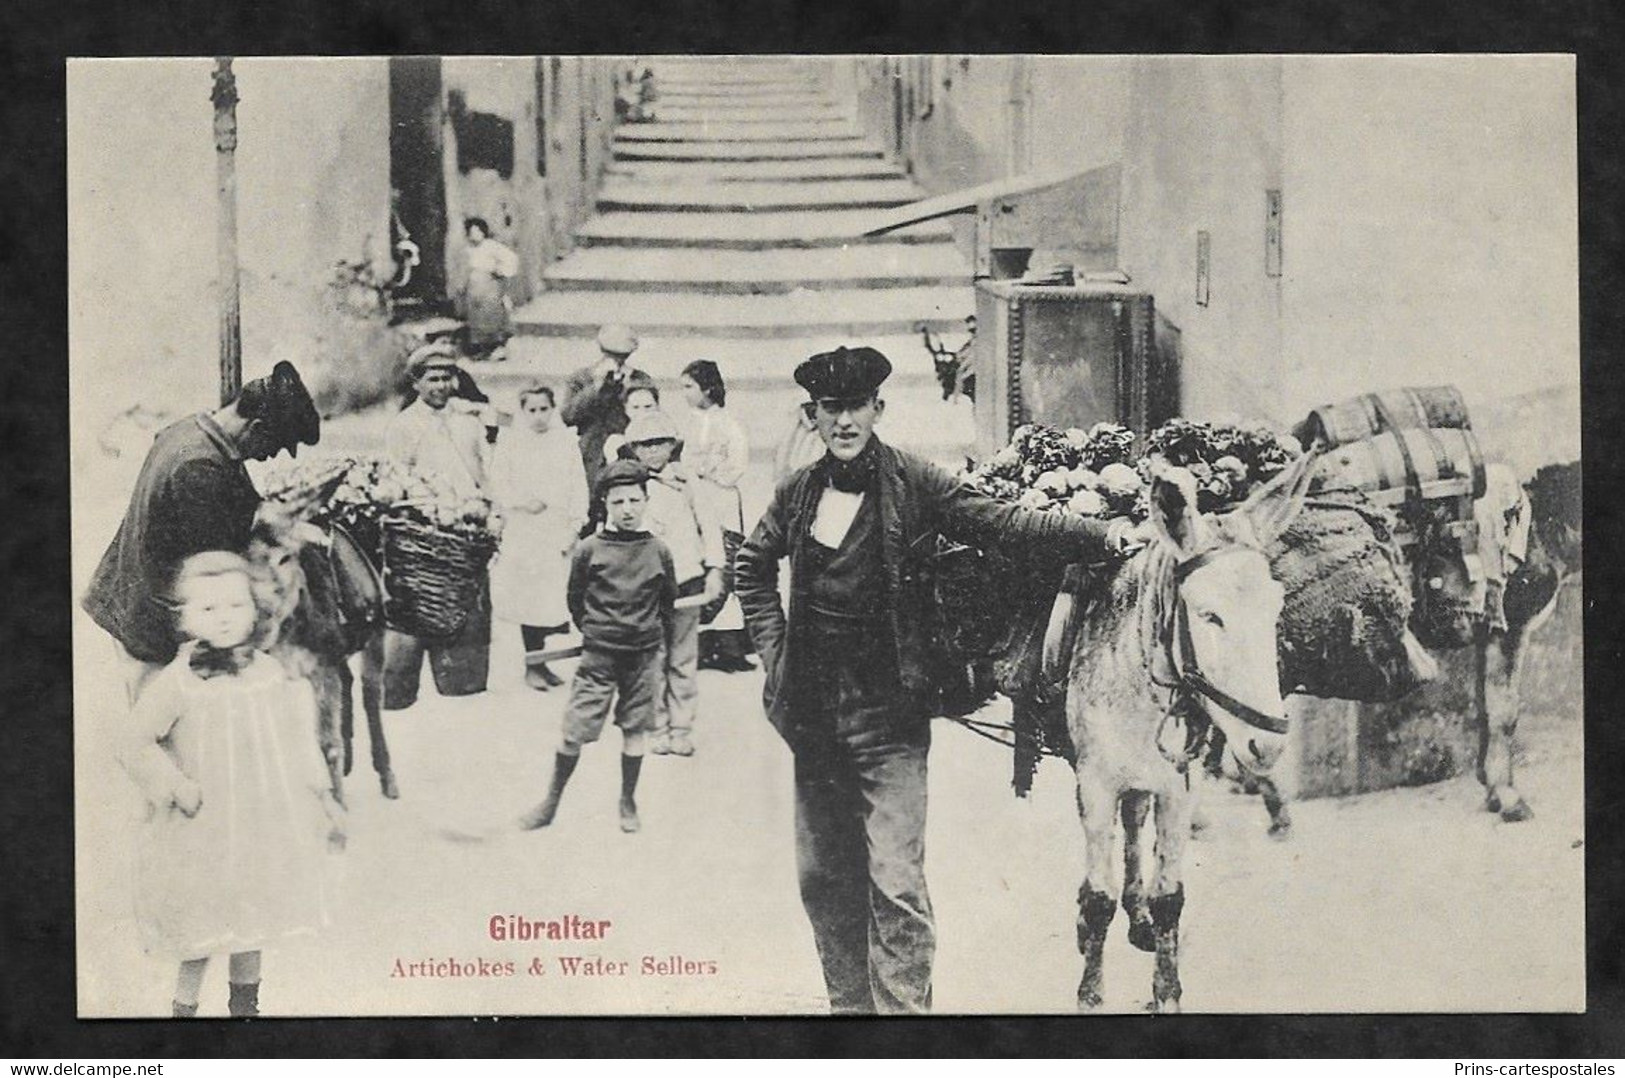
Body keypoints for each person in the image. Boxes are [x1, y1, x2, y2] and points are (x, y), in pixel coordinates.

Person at [733, 345, 1145, 1015]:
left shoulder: (914, 482)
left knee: (894, 879)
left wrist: (1097, 536)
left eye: (856, 408)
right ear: (812, 415)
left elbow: (1005, 522)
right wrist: (774, 652)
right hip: (813, 714)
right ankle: (850, 1014)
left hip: (889, 717)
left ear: (877, 409)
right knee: (822, 876)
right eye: (830, 410)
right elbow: (751, 567)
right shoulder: (797, 493)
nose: (844, 422)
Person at [117, 551, 345, 1018]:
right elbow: (135, 741)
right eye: (208, 610)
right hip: (203, 826)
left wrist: (323, 797)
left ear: (255, 609)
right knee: (200, 925)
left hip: (259, 821)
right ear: (184, 618)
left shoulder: (268, 673)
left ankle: (246, 1012)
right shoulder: (178, 682)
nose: (223, 619)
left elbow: (298, 740)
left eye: (235, 607)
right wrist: (176, 786)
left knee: (251, 917)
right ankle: (185, 1012)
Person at [83, 361, 321, 699]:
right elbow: (215, 568)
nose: (269, 457)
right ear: (255, 426)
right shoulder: (200, 468)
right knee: (177, 738)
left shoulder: (192, 429)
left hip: (128, 602)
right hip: (154, 628)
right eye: (274, 445)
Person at [518, 460, 676, 834]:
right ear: (605, 502)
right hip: (599, 655)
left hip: (642, 656)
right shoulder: (589, 549)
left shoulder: (659, 550)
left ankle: (627, 801)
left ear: (646, 501)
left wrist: (648, 639)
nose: (627, 509)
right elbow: (576, 598)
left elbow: (666, 603)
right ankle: (550, 803)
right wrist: (596, 632)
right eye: (619, 501)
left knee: (636, 730)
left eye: (635, 500)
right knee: (575, 730)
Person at [382, 342, 493, 706]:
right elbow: (397, 477)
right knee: (421, 604)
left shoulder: (468, 421)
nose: (441, 386)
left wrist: (487, 506)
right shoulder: (404, 426)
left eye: (448, 378)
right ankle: (404, 689)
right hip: (425, 526)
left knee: (469, 607)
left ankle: (464, 683)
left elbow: (485, 470)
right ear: (416, 383)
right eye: (433, 379)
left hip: (467, 525)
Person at [622, 410, 724, 757]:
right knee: (652, 659)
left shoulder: (687, 481)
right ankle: (658, 727)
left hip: (687, 580)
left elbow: (710, 526)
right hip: (646, 585)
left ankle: (681, 727)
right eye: (644, 445)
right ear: (633, 449)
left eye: (659, 443)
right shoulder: (627, 488)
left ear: (672, 445)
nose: (652, 451)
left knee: (682, 659)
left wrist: (715, 569)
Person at [489, 383, 588, 691]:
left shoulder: (565, 442)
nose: (538, 416)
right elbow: (499, 483)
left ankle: (544, 662)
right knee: (529, 599)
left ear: (553, 409)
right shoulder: (511, 442)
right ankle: (532, 664)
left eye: (544, 409)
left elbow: (577, 484)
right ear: (522, 412)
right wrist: (521, 501)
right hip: (525, 530)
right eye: (531, 410)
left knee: (552, 599)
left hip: (555, 530)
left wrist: (575, 524)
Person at [678, 360, 755, 672]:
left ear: (707, 389)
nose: (684, 394)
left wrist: (708, 472)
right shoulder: (690, 422)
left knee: (727, 565)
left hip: (720, 501)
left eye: (689, 387)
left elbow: (737, 463)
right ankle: (699, 645)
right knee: (702, 566)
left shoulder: (727, 423)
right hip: (698, 500)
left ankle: (730, 646)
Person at [560, 324, 653, 496]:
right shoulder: (582, 378)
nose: (617, 360)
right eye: (611, 354)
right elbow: (568, 416)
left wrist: (626, 388)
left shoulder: (640, 379)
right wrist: (596, 387)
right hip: (590, 452)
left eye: (622, 356)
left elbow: (649, 418)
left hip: (626, 451)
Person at [459, 217, 519, 361]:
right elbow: (464, 270)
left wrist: (500, 270)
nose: (474, 235)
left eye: (477, 231)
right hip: (474, 289)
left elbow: (511, 258)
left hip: (490, 287)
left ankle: (497, 347)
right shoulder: (468, 250)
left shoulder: (491, 246)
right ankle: (482, 349)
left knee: (492, 316)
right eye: (471, 232)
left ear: (483, 232)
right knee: (476, 319)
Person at [601, 381, 662, 465]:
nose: (642, 412)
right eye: (635, 407)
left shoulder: (670, 438)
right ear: (626, 409)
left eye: (648, 406)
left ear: (658, 407)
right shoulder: (617, 442)